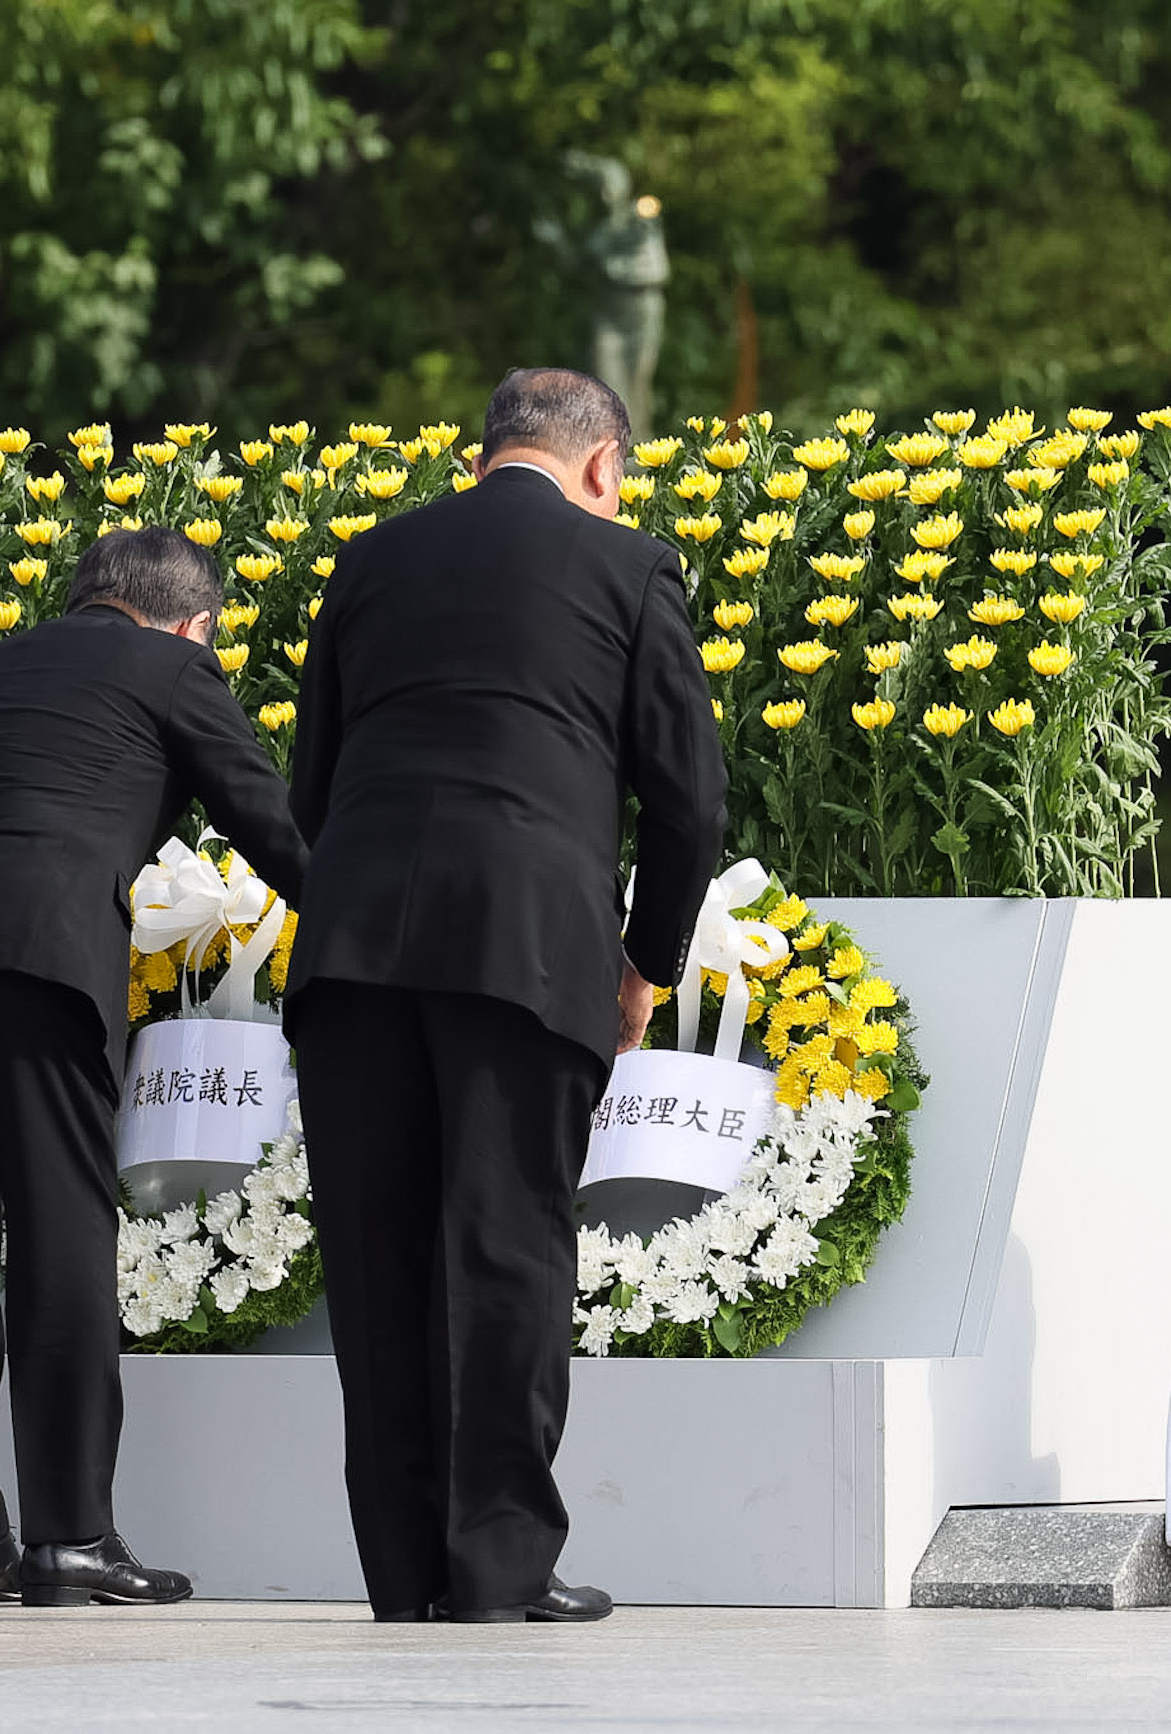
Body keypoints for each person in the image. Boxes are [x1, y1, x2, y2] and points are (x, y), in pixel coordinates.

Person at [286, 366, 725, 1625]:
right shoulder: (626, 565)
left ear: (486, 454)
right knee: (504, 1248)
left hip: (354, 947)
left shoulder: (369, 560)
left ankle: (404, 1575)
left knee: (373, 1261)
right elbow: (688, 797)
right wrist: (645, 961)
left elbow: (312, 781)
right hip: (524, 947)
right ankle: (496, 1569)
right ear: (600, 466)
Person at [0, 527, 307, 1609]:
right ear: (194, 625)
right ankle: (71, 1537)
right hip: (28, 962)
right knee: (58, 1237)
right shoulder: (174, 668)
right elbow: (270, 826)